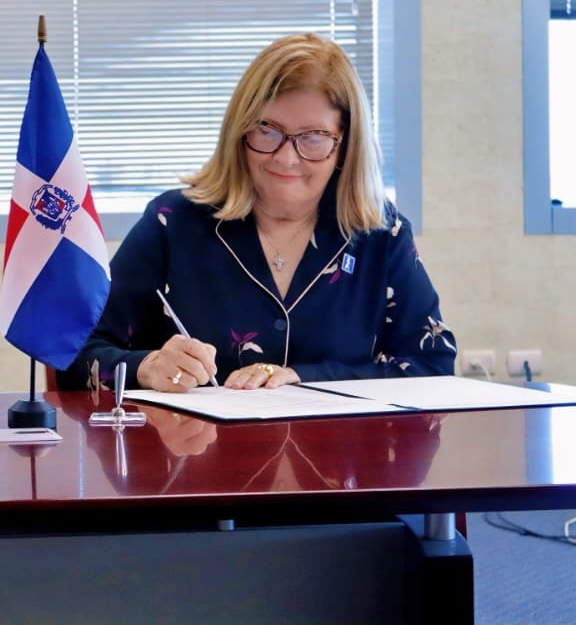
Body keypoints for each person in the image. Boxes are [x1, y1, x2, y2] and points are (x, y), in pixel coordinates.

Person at [62, 32, 455, 394]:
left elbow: (432, 366)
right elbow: (75, 352)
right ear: (240, 130)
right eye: (267, 130)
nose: (286, 158)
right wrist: (146, 367)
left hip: (342, 451)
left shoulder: (381, 233)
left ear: (345, 145)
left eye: (313, 138)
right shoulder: (173, 223)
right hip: (195, 449)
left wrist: (303, 378)